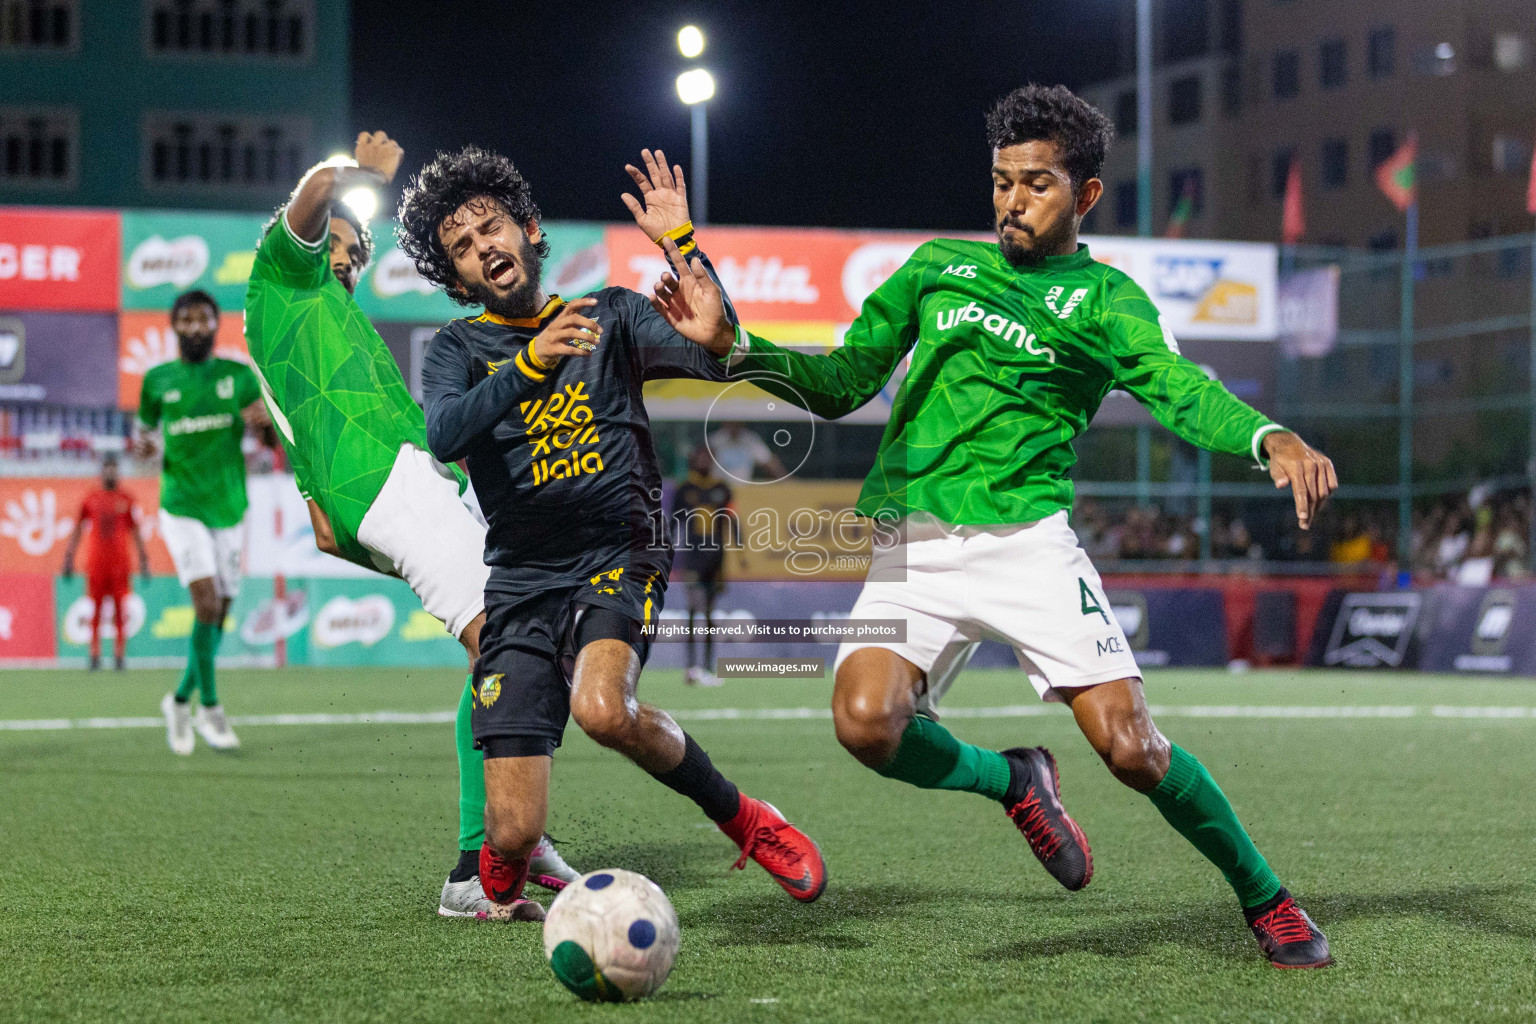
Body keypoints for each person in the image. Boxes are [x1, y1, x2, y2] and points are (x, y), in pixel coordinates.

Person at [647, 85, 1339, 968]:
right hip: (918, 544)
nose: (1012, 200)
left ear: (1085, 196)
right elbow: (843, 381)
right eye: (1002, 181)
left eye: (1037, 184)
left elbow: (1177, 386)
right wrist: (734, 348)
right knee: (866, 724)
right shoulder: (939, 266)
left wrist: (1264, 434)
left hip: (1028, 547)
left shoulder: (1105, 299)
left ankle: (1267, 900)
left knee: (1130, 749)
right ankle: (1013, 778)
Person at [399, 145, 826, 912]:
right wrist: (529, 362)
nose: (483, 248)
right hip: (522, 578)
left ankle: (748, 821)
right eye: (461, 248)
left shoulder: (614, 314)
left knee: (602, 709)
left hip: (617, 554)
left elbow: (715, 347)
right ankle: (508, 859)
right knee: (510, 836)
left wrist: (685, 249)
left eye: (491, 228)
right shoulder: (458, 351)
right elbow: (444, 435)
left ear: (529, 231)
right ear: (455, 278)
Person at [243, 131, 577, 922]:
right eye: (340, 246)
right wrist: (354, 177)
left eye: (358, 254)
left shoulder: (324, 325)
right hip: (386, 480)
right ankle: (484, 861)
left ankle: (500, 844)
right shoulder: (280, 284)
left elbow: (323, 525)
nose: (348, 260)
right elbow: (310, 201)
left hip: (405, 484)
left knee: (520, 644)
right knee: (508, 642)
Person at [138, 289, 264, 756]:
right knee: (207, 604)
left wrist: (263, 423)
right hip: (182, 506)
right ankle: (211, 710)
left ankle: (177, 700)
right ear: (174, 327)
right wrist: (145, 450)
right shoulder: (157, 381)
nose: (195, 328)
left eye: (203, 320)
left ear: (215, 325)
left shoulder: (238, 377)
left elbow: (264, 429)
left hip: (229, 507)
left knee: (219, 614)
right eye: (186, 321)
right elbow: (145, 441)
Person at [60, 453, 151, 671]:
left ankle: (119, 655)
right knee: (96, 610)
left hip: (120, 565)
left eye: (114, 467)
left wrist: (144, 560)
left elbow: (136, 531)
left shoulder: (126, 499)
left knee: (121, 610)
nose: (111, 472)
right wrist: (69, 557)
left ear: (117, 470)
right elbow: (77, 529)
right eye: (107, 467)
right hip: (96, 565)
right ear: (102, 471)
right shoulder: (91, 498)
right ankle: (94, 654)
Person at [670, 444, 735, 685]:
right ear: (692, 460)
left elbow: (731, 520)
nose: (704, 462)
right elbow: (673, 523)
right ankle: (690, 667)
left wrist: (740, 548)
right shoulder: (685, 488)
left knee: (709, 614)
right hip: (694, 559)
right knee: (693, 610)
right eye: (700, 457)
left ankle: (706, 668)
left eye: (709, 458)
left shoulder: (722, 489)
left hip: (716, 560)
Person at [707, 421, 785, 483]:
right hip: (719, 489)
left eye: (737, 422)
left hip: (744, 490)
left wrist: (787, 483)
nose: (734, 425)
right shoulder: (715, 440)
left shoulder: (750, 439)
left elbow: (769, 462)